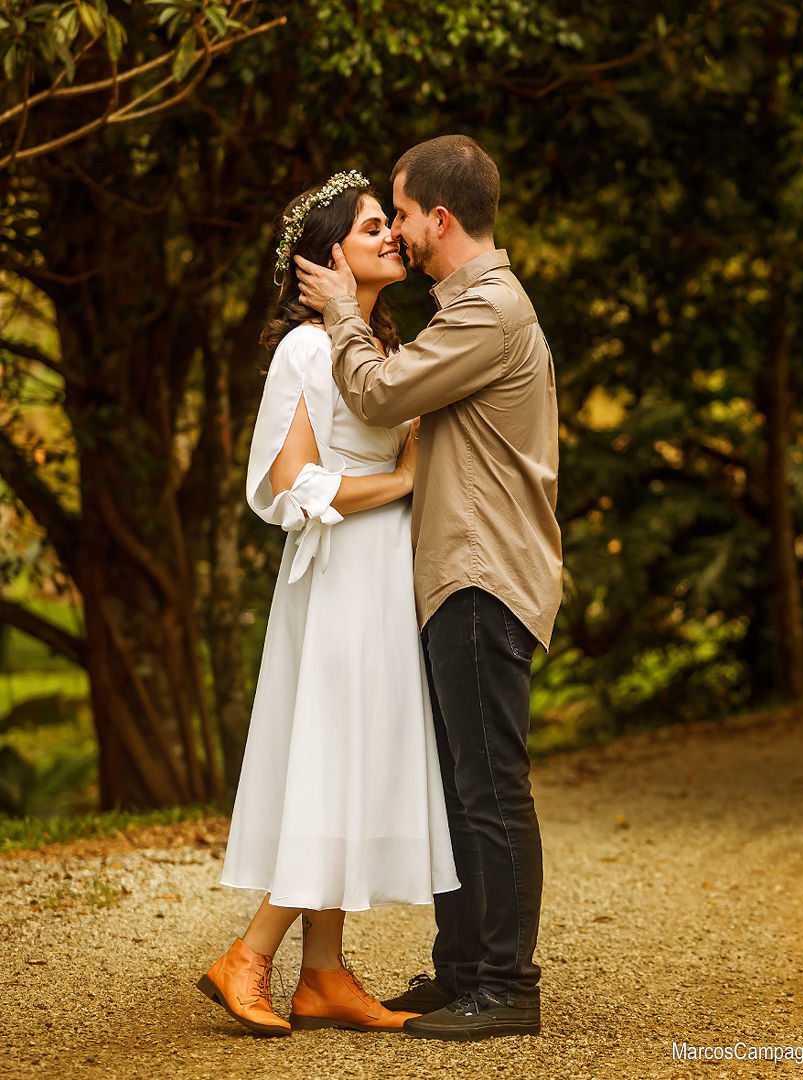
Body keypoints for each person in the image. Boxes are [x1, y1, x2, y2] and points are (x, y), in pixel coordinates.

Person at [295, 134, 563, 1042]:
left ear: (438, 218)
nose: (398, 230)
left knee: (488, 785)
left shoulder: (489, 309)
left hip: (483, 571)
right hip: (456, 572)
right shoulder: (466, 308)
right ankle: (462, 974)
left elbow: (374, 397)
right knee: (461, 784)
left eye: (402, 213)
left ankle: (507, 988)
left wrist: (339, 311)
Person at [198, 171, 460, 1037]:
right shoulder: (308, 350)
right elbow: (288, 484)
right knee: (335, 761)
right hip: (342, 577)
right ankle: (249, 955)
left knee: (353, 762)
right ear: (328, 259)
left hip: (380, 575)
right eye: (373, 227)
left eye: (392, 225)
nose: (393, 237)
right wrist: (401, 482)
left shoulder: (370, 348)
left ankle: (325, 975)